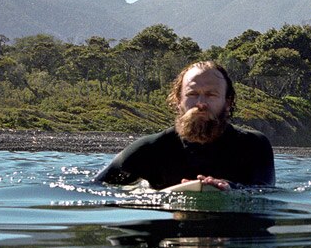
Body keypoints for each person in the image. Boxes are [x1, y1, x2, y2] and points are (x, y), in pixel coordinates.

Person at [95, 60, 275, 190]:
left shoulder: (254, 146)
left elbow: (266, 193)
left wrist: (232, 189)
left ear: (227, 102)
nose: (201, 103)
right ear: (178, 100)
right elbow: (96, 190)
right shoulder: (149, 150)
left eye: (211, 95)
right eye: (192, 94)